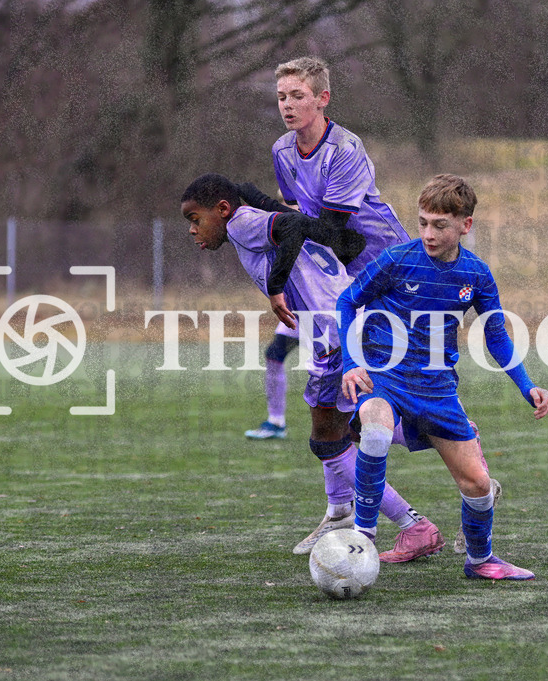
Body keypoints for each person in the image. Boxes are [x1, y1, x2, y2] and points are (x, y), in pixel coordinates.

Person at [239, 56, 502, 556]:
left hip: (386, 282)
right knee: (339, 415)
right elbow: (300, 220)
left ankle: (451, 461)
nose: (288, 106)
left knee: (373, 404)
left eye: (298, 95)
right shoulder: (282, 151)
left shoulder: (346, 149)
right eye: (281, 97)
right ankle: (357, 518)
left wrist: (267, 223)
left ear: (323, 99)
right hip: (336, 288)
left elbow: (336, 232)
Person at [181, 173, 445, 560]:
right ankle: (438, 437)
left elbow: (286, 222)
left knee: (328, 438)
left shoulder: (241, 224)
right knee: (354, 425)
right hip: (352, 325)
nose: (192, 229)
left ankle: (415, 526)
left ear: (222, 210)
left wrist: (275, 286)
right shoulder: (251, 217)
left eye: (194, 218)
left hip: (336, 336)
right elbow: (286, 218)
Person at [337, 174, 548, 580]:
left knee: (478, 485)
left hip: (437, 389)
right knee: (376, 431)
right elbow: (348, 301)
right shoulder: (397, 260)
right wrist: (352, 363)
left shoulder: (476, 274)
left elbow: (496, 335)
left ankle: (480, 560)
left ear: (465, 226)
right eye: (422, 222)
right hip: (384, 376)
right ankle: (361, 539)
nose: (428, 233)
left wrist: (527, 385)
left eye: (440, 225)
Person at [244, 324, 298, 440]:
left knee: (333, 358)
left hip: (324, 311)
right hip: (297, 314)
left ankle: (343, 420)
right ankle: (276, 422)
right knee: (274, 354)